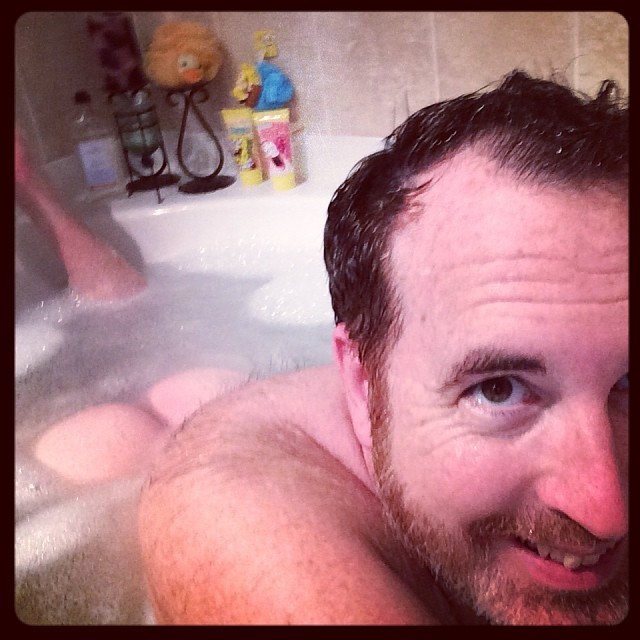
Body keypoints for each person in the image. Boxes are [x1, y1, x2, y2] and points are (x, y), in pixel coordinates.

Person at [137, 70, 628, 625]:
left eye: (628, 382)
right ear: (362, 384)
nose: (607, 513)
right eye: (499, 389)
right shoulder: (261, 548)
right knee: (112, 441)